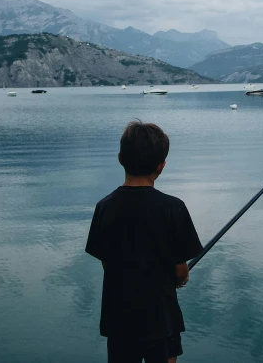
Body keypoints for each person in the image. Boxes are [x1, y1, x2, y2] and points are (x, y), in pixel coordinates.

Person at [86, 121, 203, 363]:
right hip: (161, 317)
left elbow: (107, 264)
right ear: (161, 166)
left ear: (120, 158)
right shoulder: (174, 208)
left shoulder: (104, 207)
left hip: (119, 316)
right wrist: (180, 279)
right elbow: (180, 270)